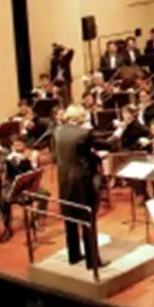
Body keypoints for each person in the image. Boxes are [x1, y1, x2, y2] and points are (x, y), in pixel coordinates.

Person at [52, 105, 110, 269]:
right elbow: (106, 145)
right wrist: (119, 133)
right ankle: (93, 261)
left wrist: (90, 155)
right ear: (81, 119)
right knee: (87, 219)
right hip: (82, 181)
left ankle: (74, 255)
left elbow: (71, 153)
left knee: (70, 218)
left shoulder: (58, 131)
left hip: (64, 179)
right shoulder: (85, 133)